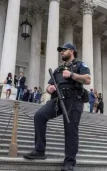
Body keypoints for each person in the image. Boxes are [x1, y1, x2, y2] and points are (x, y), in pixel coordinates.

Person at [23, 42, 91, 171]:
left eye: (64, 50)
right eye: (61, 50)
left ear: (71, 51)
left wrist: (72, 75)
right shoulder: (58, 70)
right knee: (39, 116)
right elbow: (49, 87)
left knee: (71, 130)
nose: (61, 52)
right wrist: (50, 89)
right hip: (58, 99)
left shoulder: (80, 65)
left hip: (73, 100)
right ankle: (39, 150)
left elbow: (87, 80)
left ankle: (69, 162)